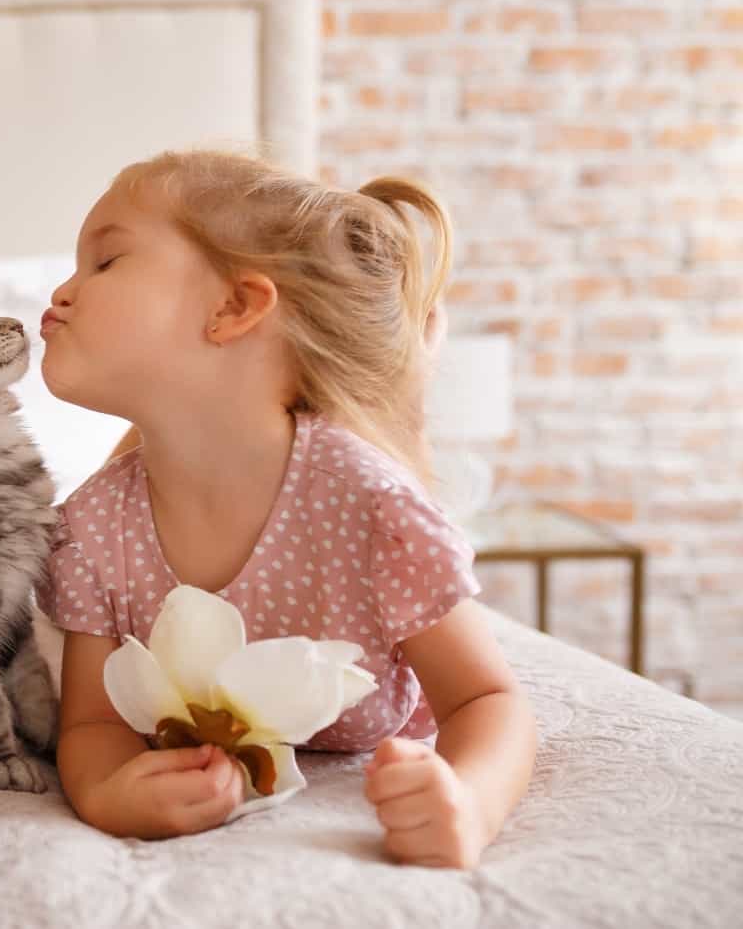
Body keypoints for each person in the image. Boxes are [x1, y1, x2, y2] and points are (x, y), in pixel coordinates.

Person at [37, 149, 535, 868]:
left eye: (106, 262)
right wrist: (111, 791)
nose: (62, 290)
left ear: (234, 307)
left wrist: (469, 802)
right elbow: (90, 724)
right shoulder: (91, 529)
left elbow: (488, 701)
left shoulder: (369, 505)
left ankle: (411, 391)